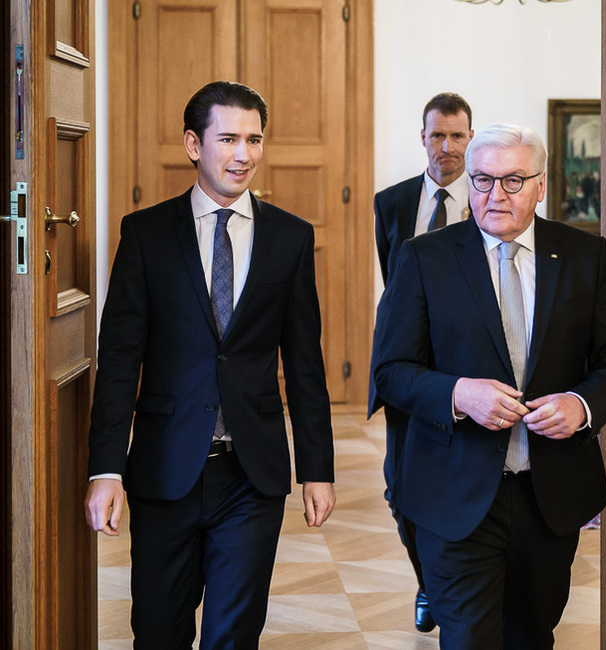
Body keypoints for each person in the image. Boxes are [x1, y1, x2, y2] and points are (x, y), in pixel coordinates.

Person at [83, 80, 336, 649]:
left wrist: (317, 467)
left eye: (254, 139)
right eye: (228, 139)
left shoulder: (291, 239)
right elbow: (120, 358)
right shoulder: (145, 235)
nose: (243, 154)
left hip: (253, 474)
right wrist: (106, 469)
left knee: (233, 635)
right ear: (194, 145)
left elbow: (304, 365)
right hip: (164, 467)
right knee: (157, 631)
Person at [371, 123, 606, 648]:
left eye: (513, 181)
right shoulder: (425, 257)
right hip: (456, 492)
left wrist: (581, 405)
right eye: (483, 180)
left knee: (532, 635)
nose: (496, 195)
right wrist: (457, 394)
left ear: (541, 186)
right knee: (470, 638)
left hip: (551, 494)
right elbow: (390, 371)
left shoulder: (584, 255)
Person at [370, 91, 474, 633]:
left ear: (470, 140)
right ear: (422, 138)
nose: (447, 146)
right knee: (397, 486)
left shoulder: (486, 200)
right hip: (407, 370)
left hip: (466, 371)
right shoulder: (390, 204)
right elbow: (395, 291)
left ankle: (448, 586)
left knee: (453, 483)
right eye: (438, 134)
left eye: (457, 135)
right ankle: (429, 581)